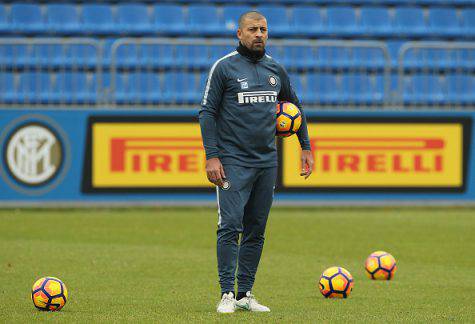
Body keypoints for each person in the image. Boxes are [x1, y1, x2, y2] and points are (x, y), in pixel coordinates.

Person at [199, 11, 314, 313]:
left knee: (256, 229)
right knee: (230, 225)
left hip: (267, 161)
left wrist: (305, 146)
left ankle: (245, 293)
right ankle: (226, 294)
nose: (259, 34)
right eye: (252, 29)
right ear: (239, 34)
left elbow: (294, 107)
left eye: (263, 29)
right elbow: (207, 113)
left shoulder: (275, 69)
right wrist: (212, 156)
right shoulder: (223, 68)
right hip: (232, 161)